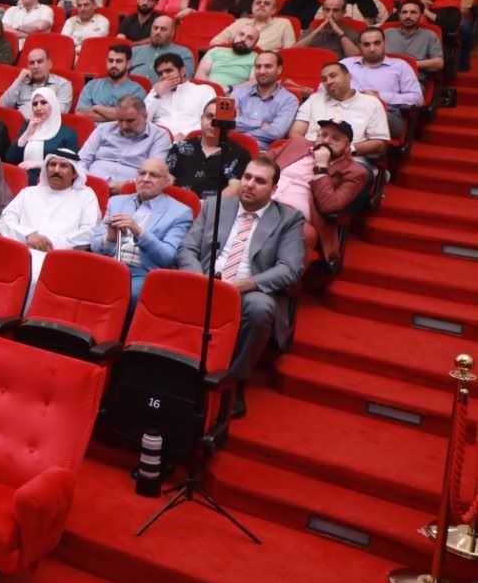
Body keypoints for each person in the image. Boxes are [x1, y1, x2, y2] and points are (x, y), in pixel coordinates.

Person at [177, 158, 307, 414]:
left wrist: (246, 284)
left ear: (273, 189)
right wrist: (198, 278)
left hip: (248, 291)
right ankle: (174, 368)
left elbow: (289, 269)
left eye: (260, 181)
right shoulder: (216, 205)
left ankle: (233, 382)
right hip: (204, 281)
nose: (249, 184)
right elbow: (187, 248)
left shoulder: (288, 219)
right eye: (247, 177)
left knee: (261, 308)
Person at [92, 158, 195, 300]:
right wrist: (110, 239)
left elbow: (167, 258)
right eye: (142, 173)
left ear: (166, 182)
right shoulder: (116, 202)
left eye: (153, 175)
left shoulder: (180, 212)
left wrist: (138, 231)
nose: (146, 179)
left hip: (142, 271)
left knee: (130, 295)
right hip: (110, 265)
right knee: (79, 283)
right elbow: (95, 247)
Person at [269, 119, 370, 263]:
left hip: (295, 216)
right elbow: (262, 162)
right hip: (262, 200)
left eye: (336, 138)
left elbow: (329, 205)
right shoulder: (296, 144)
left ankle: (281, 277)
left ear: (347, 146)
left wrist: (322, 167)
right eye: (323, 135)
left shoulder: (355, 172)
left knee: (304, 234)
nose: (326, 141)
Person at [0, 150, 103, 284]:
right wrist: (28, 235)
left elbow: (89, 232)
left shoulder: (86, 196)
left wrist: (51, 243)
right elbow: (5, 219)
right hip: (20, 253)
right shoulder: (28, 193)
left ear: (75, 173)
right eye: (52, 165)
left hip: (60, 260)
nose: (56, 170)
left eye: (63, 166)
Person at [288, 62, 390, 161]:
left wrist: (342, 150)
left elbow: (379, 143)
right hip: (309, 156)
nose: (329, 81)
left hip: (351, 159)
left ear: (348, 77)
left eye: (333, 76)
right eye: (324, 79)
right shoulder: (314, 99)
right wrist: (313, 149)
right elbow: (296, 132)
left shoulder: (371, 103)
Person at [342, 27, 423, 137]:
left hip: (388, 114)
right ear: (360, 46)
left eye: (377, 43)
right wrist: (353, 94)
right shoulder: (346, 64)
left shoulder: (400, 66)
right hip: (347, 110)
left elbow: (417, 98)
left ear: (384, 44)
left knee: (366, 115)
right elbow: (323, 88)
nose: (372, 49)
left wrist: (379, 96)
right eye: (366, 44)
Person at [78, 95, 171, 190]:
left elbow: (154, 172)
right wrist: (87, 181)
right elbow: (82, 160)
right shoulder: (103, 129)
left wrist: (128, 186)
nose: (124, 126)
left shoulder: (159, 136)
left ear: (145, 116)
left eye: (130, 121)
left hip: (130, 191)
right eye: (120, 120)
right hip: (88, 186)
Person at [165, 99, 251, 197]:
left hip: (214, 205)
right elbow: (167, 178)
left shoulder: (240, 154)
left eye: (219, 119)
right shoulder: (180, 147)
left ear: (229, 125)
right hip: (176, 202)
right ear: (202, 119)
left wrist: (205, 205)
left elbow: (235, 189)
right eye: (209, 116)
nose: (212, 123)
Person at [4, 87, 77, 184]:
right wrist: (28, 133)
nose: (38, 107)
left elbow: (72, 165)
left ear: (53, 104)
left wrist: (39, 164)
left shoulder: (67, 133)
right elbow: (10, 159)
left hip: (53, 183)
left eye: (43, 102)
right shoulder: (27, 128)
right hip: (22, 180)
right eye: (35, 104)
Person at [231, 51, 300, 148]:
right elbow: (227, 123)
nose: (262, 71)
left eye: (268, 66)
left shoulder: (289, 100)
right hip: (229, 146)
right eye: (258, 67)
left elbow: (276, 132)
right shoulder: (238, 92)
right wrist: (260, 124)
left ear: (279, 69)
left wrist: (241, 129)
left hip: (260, 152)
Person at [144, 53, 213, 139]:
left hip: (192, 140)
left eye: (168, 71)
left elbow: (209, 121)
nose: (164, 76)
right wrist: (157, 95)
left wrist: (187, 135)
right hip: (158, 139)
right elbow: (142, 120)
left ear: (182, 71)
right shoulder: (156, 92)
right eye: (160, 74)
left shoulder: (204, 90)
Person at [77, 45, 149, 123]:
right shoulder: (92, 85)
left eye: (119, 61)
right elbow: (80, 113)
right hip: (92, 130)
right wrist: (117, 116)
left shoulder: (136, 90)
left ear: (128, 64)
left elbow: (131, 116)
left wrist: (97, 108)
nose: (114, 65)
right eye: (110, 61)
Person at [210, 0, 294, 52]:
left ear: (273, 10)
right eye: (258, 3)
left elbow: (289, 53)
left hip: (264, 66)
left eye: (267, 3)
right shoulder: (239, 23)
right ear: (252, 7)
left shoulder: (284, 24)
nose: (261, 5)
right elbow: (215, 42)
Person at [0, 47, 73, 113]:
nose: (36, 66)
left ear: (49, 64)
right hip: (20, 123)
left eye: (40, 61)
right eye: (32, 63)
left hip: (46, 124)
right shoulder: (21, 82)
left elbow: (61, 112)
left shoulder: (63, 84)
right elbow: (2, 106)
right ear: (28, 66)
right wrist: (19, 80)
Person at [386, 0, 445, 80]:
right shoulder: (387, 33)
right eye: (404, 12)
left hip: (413, 79)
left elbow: (439, 63)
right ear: (399, 15)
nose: (408, 16)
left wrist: (408, 64)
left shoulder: (430, 35)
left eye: (413, 12)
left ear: (421, 15)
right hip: (386, 77)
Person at [128, 15, 195, 83]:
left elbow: (185, 79)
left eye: (163, 29)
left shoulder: (184, 53)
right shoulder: (134, 51)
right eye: (155, 28)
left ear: (172, 32)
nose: (157, 32)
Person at [293, 0, 362, 57]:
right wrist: (316, 32)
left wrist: (340, 33)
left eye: (335, 10)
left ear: (343, 13)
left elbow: (356, 58)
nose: (330, 15)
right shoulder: (310, 31)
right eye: (327, 10)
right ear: (323, 11)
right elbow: (292, 52)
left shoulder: (351, 34)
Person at [195, 25, 260, 89]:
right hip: (206, 91)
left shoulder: (257, 58)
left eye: (250, 38)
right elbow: (200, 73)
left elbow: (254, 82)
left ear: (254, 45)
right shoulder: (215, 51)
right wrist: (211, 90)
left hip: (236, 93)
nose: (243, 39)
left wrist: (230, 89)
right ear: (234, 36)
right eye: (241, 34)